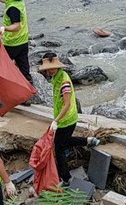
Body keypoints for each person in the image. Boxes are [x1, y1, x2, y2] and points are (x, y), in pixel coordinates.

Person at [38, 53, 99, 185]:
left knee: (59, 148)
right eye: (47, 69)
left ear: (57, 67)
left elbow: (67, 104)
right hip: (64, 118)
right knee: (63, 142)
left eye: (51, 68)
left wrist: (56, 121)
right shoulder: (56, 77)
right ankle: (88, 141)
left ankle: (65, 178)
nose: (48, 71)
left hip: (67, 119)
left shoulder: (64, 81)